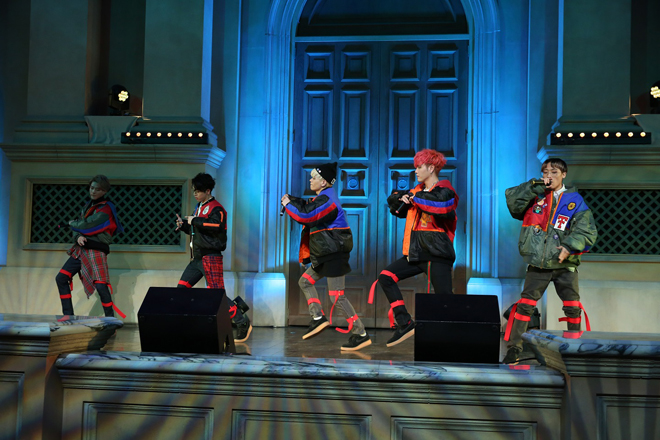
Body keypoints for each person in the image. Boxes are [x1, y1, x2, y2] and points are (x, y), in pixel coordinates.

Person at [502, 157, 597, 364]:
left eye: (554, 172)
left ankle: (574, 348)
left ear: (564, 175)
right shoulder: (535, 196)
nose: (549, 176)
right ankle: (515, 348)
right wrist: (534, 186)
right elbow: (512, 201)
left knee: (572, 306)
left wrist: (569, 247)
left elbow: (586, 230)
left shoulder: (575, 200)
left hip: (565, 264)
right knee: (525, 306)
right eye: (545, 172)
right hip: (538, 262)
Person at [369, 149, 458, 347]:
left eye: (419, 167)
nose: (415, 171)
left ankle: (453, 342)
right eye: (415, 167)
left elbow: (440, 205)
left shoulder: (445, 190)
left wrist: (414, 198)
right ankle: (404, 323)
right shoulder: (417, 192)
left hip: (436, 254)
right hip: (416, 253)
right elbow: (396, 208)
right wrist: (402, 198)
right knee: (386, 277)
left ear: (431, 168)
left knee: (445, 300)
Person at [281, 162, 371, 351]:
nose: (310, 180)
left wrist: (288, 205)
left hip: (333, 254)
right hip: (325, 254)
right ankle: (317, 317)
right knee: (304, 282)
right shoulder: (322, 198)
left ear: (323, 182)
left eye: (314, 177)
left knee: (337, 296)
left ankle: (360, 333)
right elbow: (307, 207)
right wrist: (293, 200)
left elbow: (306, 216)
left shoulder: (328, 200)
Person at [176, 172, 252, 343]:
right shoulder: (199, 207)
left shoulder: (217, 208)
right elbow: (198, 231)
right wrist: (184, 226)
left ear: (208, 191)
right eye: (194, 190)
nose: (195, 193)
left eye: (198, 191)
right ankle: (187, 324)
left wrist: (194, 221)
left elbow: (216, 225)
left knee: (216, 295)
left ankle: (241, 321)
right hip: (197, 259)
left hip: (210, 257)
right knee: (180, 291)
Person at [55, 175, 125, 318]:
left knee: (101, 286)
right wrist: (78, 236)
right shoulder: (87, 206)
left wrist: (72, 224)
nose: (93, 191)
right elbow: (79, 226)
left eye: (97, 189)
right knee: (61, 278)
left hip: (96, 249)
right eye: (92, 188)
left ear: (104, 191)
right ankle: (68, 315)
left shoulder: (106, 208)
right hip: (82, 249)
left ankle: (110, 320)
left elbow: (87, 225)